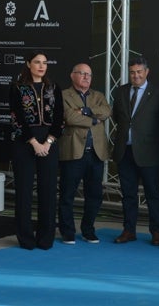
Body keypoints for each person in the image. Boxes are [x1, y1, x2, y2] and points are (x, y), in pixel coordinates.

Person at [9, 50, 64, 250]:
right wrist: (34, 142)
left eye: (44, 62)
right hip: (24, 143)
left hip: (49, 143)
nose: (41, 66)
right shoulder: (17, 87)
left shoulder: (54, 88)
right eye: (37, 62)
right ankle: (25, 238)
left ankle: (45, 238)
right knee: (24, 191)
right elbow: (17, 118)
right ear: (28, 64)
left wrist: (48, 142)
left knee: (48, 191)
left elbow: (59, 119)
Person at [112, 56, 159, 246]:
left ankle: (156, 232)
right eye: (132, 72)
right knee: (128, 194)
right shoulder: (120, 92)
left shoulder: (158, 93)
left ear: (147, 72)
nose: (136, 76)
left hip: (148, 152)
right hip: (124, 151)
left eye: (139, 72)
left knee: (153, 194)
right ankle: (129, 230)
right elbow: (118, 118)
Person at [58, 63, 112, 244]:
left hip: (95, 154)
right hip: (73, 152)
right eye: (82, 73)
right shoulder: (64, 95)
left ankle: (88, 230)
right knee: (67, 194)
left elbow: (107, 111)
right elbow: (69, 117)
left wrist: (88, 112)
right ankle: (67, 232)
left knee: (94, 195)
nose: (86, 77)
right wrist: (94, 120)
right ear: (72, 75)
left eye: (89, 74)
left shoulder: (98, 96)